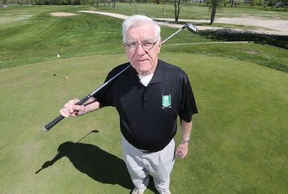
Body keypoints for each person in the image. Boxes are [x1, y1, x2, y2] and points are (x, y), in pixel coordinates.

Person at [60, 15, 198, 194]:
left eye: (147, 42)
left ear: (159, 45)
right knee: (137, 176)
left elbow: (186, 115)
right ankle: (140, 187)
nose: (140, 51)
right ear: (124, 48)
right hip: (130, 147)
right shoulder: (117, 76)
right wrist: (82, 108)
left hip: (163, 150)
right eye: (132, 44)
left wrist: (185, 142)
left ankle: (162, 189)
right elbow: (102, 100)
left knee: (163, 178)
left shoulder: (177, 77)